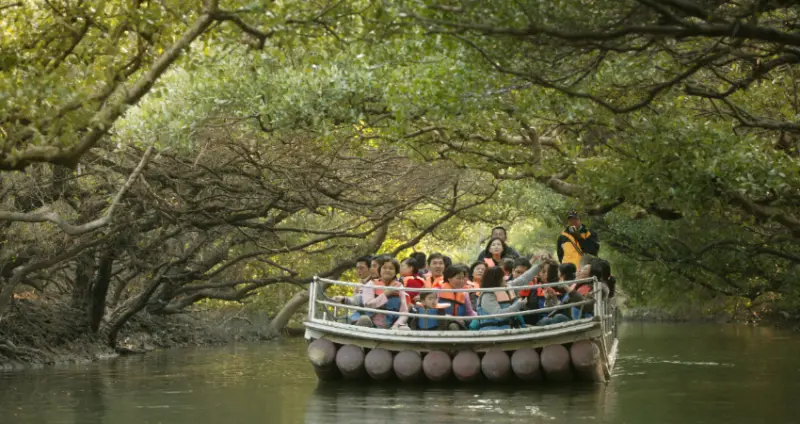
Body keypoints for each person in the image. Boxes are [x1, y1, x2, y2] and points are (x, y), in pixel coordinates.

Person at [333, 256, 410, 329]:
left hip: (391, 324)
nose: (387, 270)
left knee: (405, 329)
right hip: (372, 322)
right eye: (384, 268)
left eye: (391, 268)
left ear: (396, 271)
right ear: (380, 270)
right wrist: (386, 294)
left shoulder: (399, 286)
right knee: (364, 319)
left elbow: (404, 311)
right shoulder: (371, 284)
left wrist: (396, 325)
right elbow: (368, 305)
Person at [434, 264, 477, 330]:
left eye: (463, 278)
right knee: (453, 325)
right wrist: (453, 318)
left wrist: (479, 318)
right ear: (449, 278)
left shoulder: (465, 293)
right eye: (458, 278)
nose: (461, 281)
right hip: (441, 323)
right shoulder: (437, 292)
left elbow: (469, 313)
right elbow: (433, 311)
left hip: (460, 324)